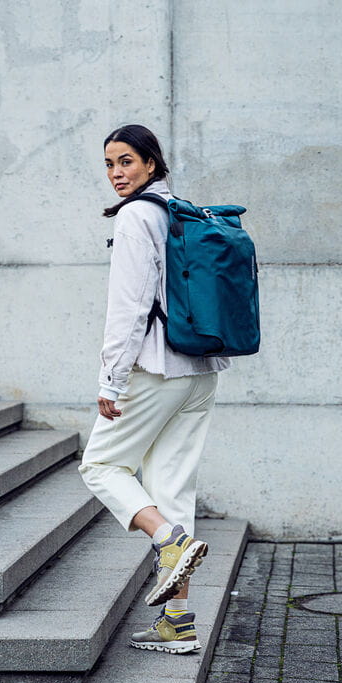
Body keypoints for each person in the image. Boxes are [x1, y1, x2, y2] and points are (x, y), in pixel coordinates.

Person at [78, 124, 230, 655]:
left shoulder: (136, 216)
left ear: (150, 162)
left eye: (126, 161)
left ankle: (169, 540)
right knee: (171, 489)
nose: (116, 173)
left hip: (157, 370)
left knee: (100, 465)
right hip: (201, 368)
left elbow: (130, 306)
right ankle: (177, 622)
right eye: (109, 164)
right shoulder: (178, 210)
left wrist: (111, 379)